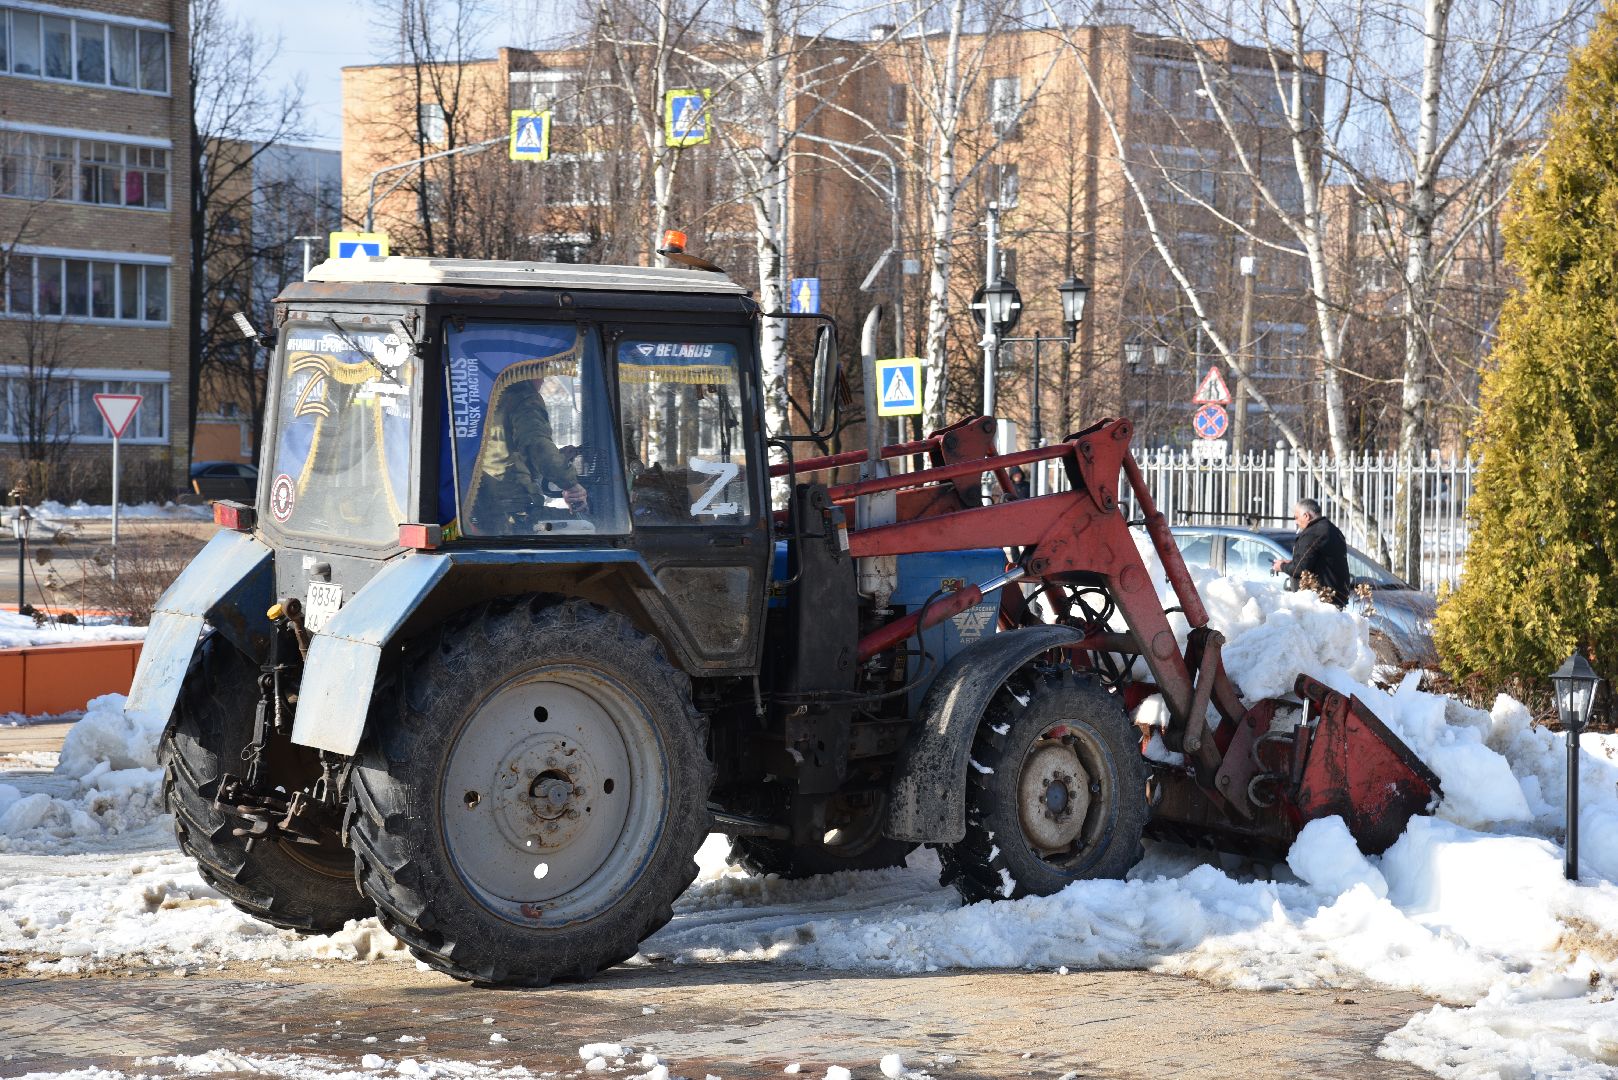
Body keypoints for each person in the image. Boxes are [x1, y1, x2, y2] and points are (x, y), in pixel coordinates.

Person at [476, 379, 587, 530]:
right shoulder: (521, 395)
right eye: (541, 368)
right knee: (590, 526)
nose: (543, 378)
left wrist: (560, 456)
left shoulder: (481, 393)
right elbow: (536, 445)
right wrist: (571, 485)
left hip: (479, 503)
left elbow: (502, 451)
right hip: (513, 507)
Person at [1271, 498, 1351, 607]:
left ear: (1306, 516)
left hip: (1321, 600)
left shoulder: (1312, 533)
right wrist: (1292, 562)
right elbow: (1320, 562)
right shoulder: (1332, 530)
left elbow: (1300, 569)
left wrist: (1282, 566)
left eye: (1296, 517)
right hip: (1335, 596)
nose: (1296, 522)